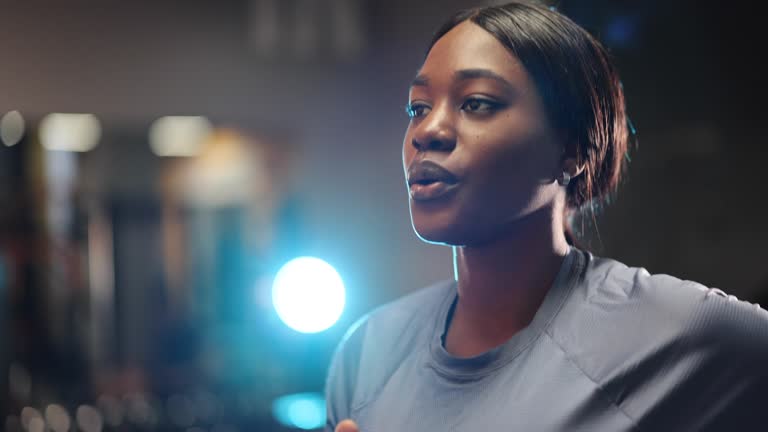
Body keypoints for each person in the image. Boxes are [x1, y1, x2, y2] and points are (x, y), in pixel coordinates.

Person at [325, 2, 768, 431]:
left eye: (477, 103)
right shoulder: (367, 354)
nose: (428, 131)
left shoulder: (679, 331)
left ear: (572, 149)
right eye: (417, 108)